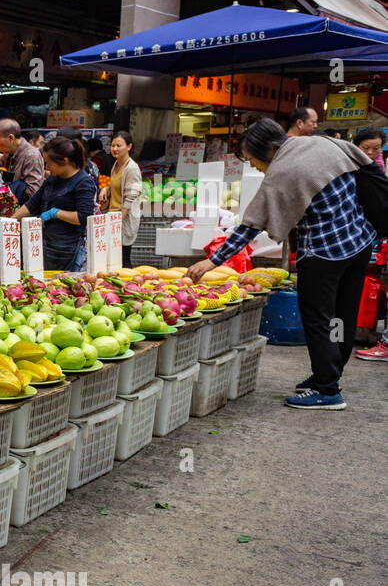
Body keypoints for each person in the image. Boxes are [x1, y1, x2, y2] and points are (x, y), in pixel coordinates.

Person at [188, 118, 377, 410]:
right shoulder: (321, 142)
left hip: (325, 254)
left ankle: (327, 391)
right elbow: (367, 164)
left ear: (268, 149)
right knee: (342, 315)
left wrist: (213, 260)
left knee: (319, 319)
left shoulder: (283, 170)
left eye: (252, 160)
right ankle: (328, 376)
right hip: (359, 242)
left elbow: (250, 225)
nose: (254, 168)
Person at [12, 136, 98, 273]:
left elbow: (83, 217)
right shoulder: (53, 178)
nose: (47, 167)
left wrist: (55, 213)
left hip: (67, 248)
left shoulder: (83, 182)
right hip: (46, 243)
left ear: (65, 161)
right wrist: (9, 222)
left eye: (49, 163)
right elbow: (32, 204)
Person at [352, 126, 388, 361]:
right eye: (366, 148)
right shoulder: (350, 166)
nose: (372, 152)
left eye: (376, 149)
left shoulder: (377, 168)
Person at [0, 118, 45, 203]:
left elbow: (33, 193)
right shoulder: (8, 153)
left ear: (11, 138)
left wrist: (7, 189)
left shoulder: (31, 155)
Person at [109, 130, 142, 267]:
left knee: (123, 259)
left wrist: (118, 221)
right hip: (113, 217)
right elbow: (116, 186)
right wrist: (106, 190)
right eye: (112, 145)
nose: (115, 149)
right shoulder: (116, 165)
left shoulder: (132, 168)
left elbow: (130, 197)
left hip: (123, 220)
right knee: (114, 260)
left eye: (119, 145)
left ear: (129, 146)